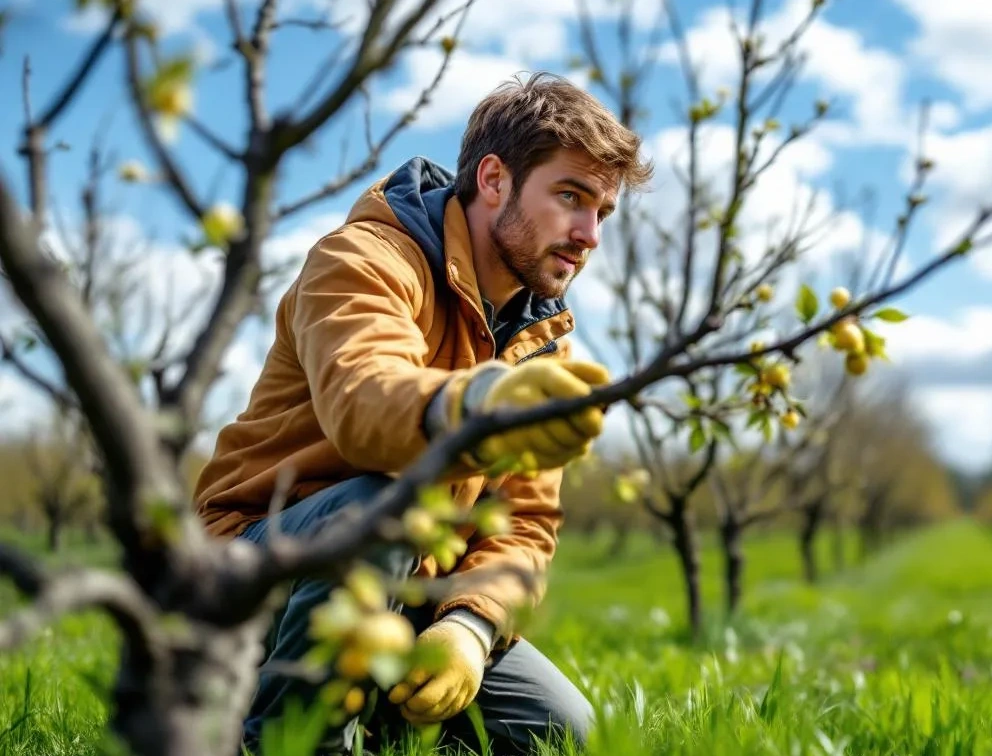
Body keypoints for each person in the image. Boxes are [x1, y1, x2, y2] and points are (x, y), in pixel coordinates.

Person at [192, 71, 652, 755]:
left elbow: (525, 523)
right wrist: (481, 404)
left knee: (567, 734)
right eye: (570, 197)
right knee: (381, 505)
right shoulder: (365, 258)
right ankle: (283, 740)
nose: (588, 234)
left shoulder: (543, 339)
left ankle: (375, 722)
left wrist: (469, 627)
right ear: (494, 180)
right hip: (255, 570)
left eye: (602, 213)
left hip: (405, 586)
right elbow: (364, 402)